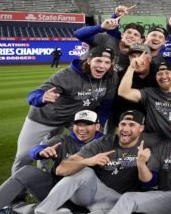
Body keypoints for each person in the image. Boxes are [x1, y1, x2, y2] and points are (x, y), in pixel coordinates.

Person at [14, 110, 151, 214]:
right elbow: (61, 169)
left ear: (141, 128)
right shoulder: (103, 142)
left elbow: (149, 182)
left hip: (117, 201)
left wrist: (141, 164)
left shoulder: (150, 144)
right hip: (94, 191)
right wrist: (88, 161)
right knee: (84, 172)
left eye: (131, 125)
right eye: (123, 124)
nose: (126, 128)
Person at [10, 46, 118, 175]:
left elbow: (106, 103)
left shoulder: (111, 77)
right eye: (98, 61)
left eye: (106, 62)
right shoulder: (67, 75)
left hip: (74, 119)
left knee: (88, 145)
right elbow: (34, 94)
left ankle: (76, 179)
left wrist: (98, 124)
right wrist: (41, 98)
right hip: (45, 117)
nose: (102, 66)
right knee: (23, 155)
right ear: (89, 60)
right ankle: (19, 191)